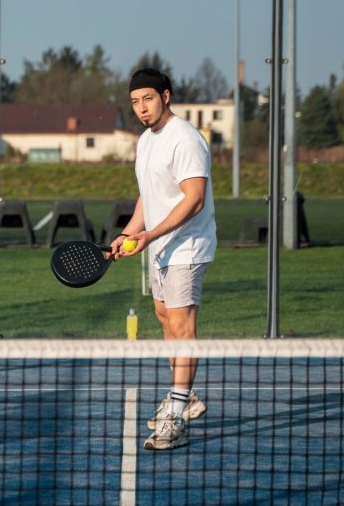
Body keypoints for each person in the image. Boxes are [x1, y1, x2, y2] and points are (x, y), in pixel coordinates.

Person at [111, 68, 217, 451]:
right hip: (159, 247)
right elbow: (149, 196)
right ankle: (186, 396)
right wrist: (128, 232)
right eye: (135, 102)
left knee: (182, 325)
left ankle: (176, 414)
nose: (141, 108)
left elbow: (194, 198)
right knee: (163, 318)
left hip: (187, 246)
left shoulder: (185, 139)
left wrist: (149, 235)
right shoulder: (145, 141)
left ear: (166, 96)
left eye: (148, 99)